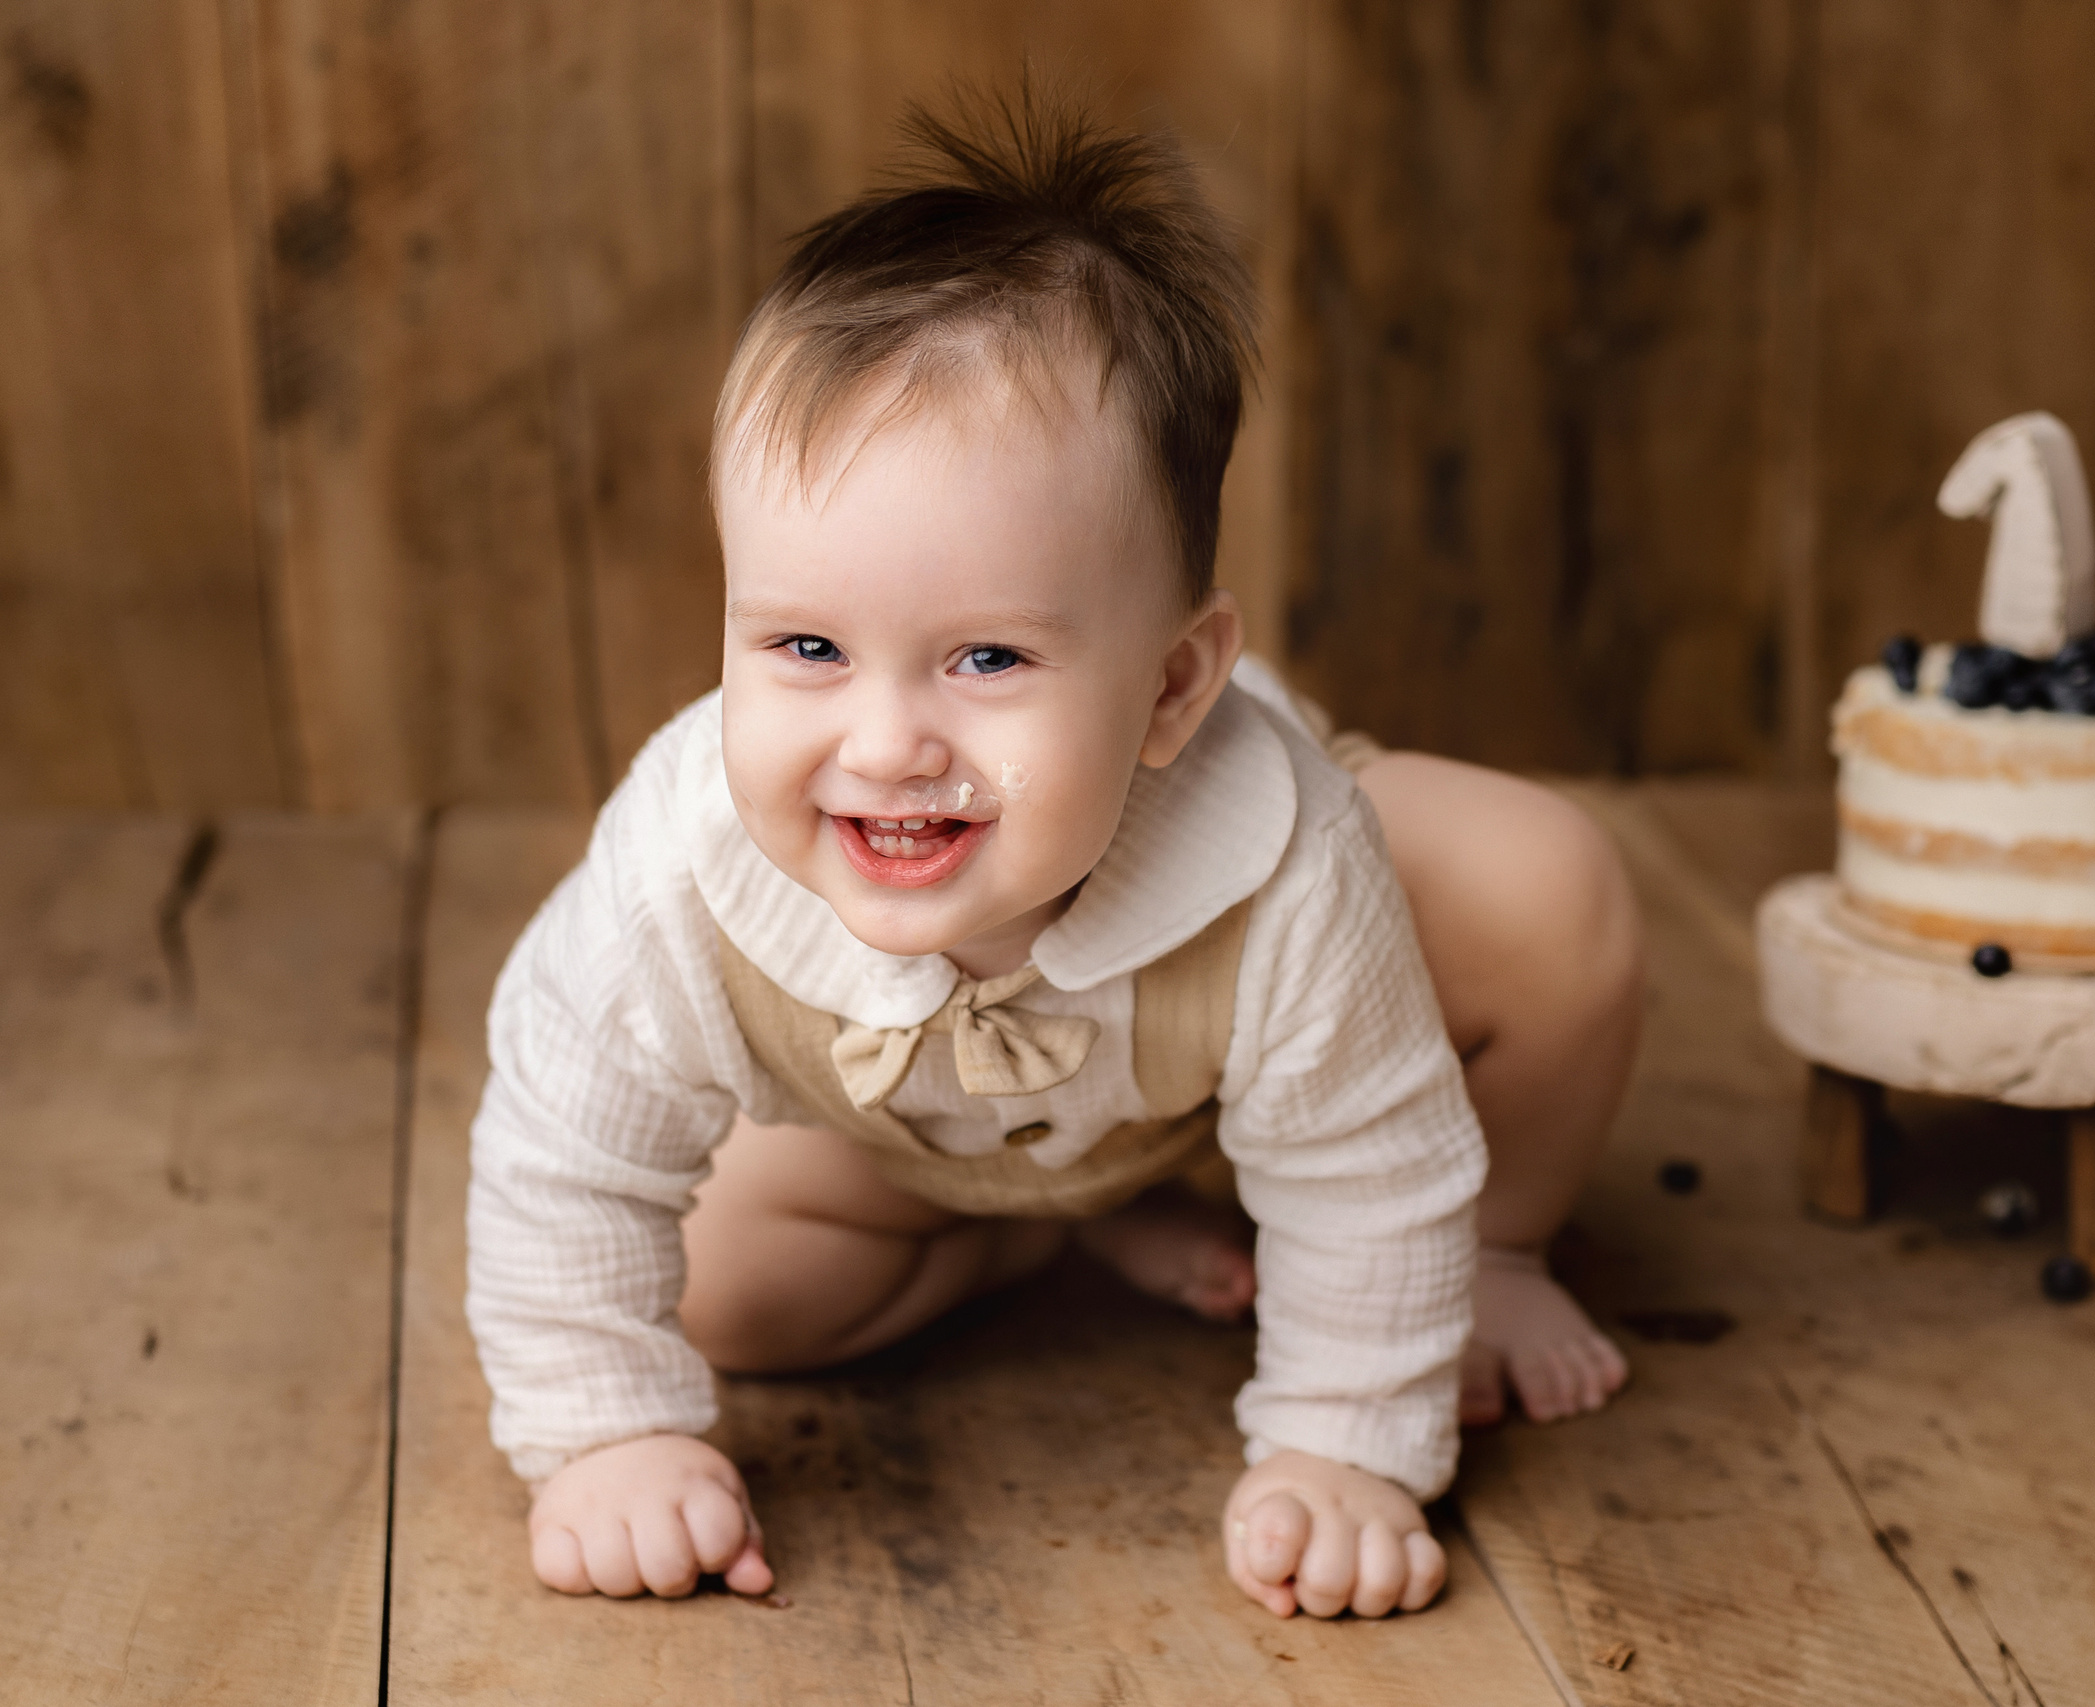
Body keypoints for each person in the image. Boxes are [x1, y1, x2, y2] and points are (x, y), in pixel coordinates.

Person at [465, 95, 1642, 1622]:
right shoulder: (683, 870)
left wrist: (1348, 1448)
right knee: (730, 1297)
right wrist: (603, 1435)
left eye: (988, 659)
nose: (886, 744)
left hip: (1243, 1073)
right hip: (918, 1138)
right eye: (808, 646)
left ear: (1170, 687)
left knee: (1547, 890)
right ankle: (1052, 1242)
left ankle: (1499, 1252)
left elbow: (1370, 1159)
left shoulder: (1283, 862)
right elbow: (562, 1149)